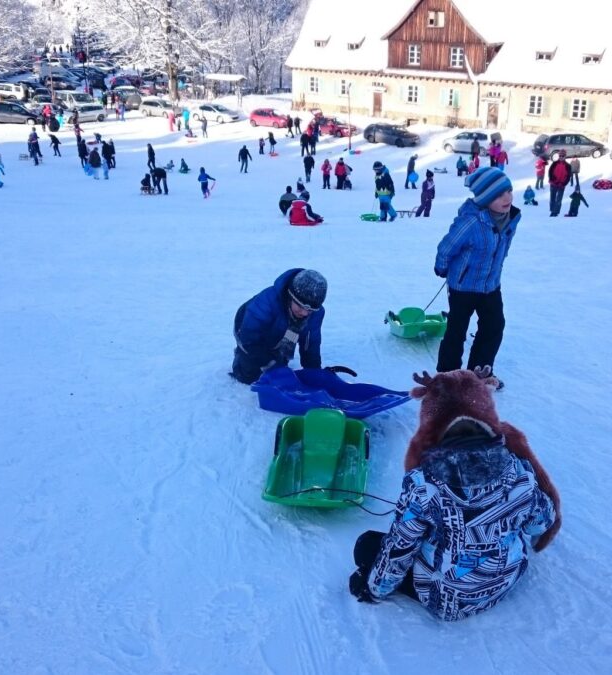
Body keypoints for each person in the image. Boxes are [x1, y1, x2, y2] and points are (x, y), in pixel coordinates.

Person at [348, 384, 558, 620]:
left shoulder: (425, 487)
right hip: (507, 578)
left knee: (366, 546)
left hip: (449, 599)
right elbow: (541, 523)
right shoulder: (521, 476)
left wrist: (374, 588)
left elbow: (400, 548)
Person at [434, 167, 520, 385]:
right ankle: (447, 377)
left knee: (494, 326)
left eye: (509, 191)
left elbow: (503, 248)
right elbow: (447, 247)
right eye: (499, 195)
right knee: (457, 330)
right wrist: (442, 268)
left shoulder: (510, 218)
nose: (507, 198)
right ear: (485, 198)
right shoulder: (471, 222)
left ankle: (479, 373)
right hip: (463, 287)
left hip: (490, 285)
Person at [230, 269, 326, 384]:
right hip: (247, 330)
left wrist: (314, 374)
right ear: (291, 296)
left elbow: (310, 344)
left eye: (310, 310)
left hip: (286, 328)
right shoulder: (266, 302)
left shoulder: (316, 313)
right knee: (252, 376)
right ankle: (240, 359)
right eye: (300, 306)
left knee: (281, 366)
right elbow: (249, 339)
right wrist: (268, 361)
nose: (304, 313)